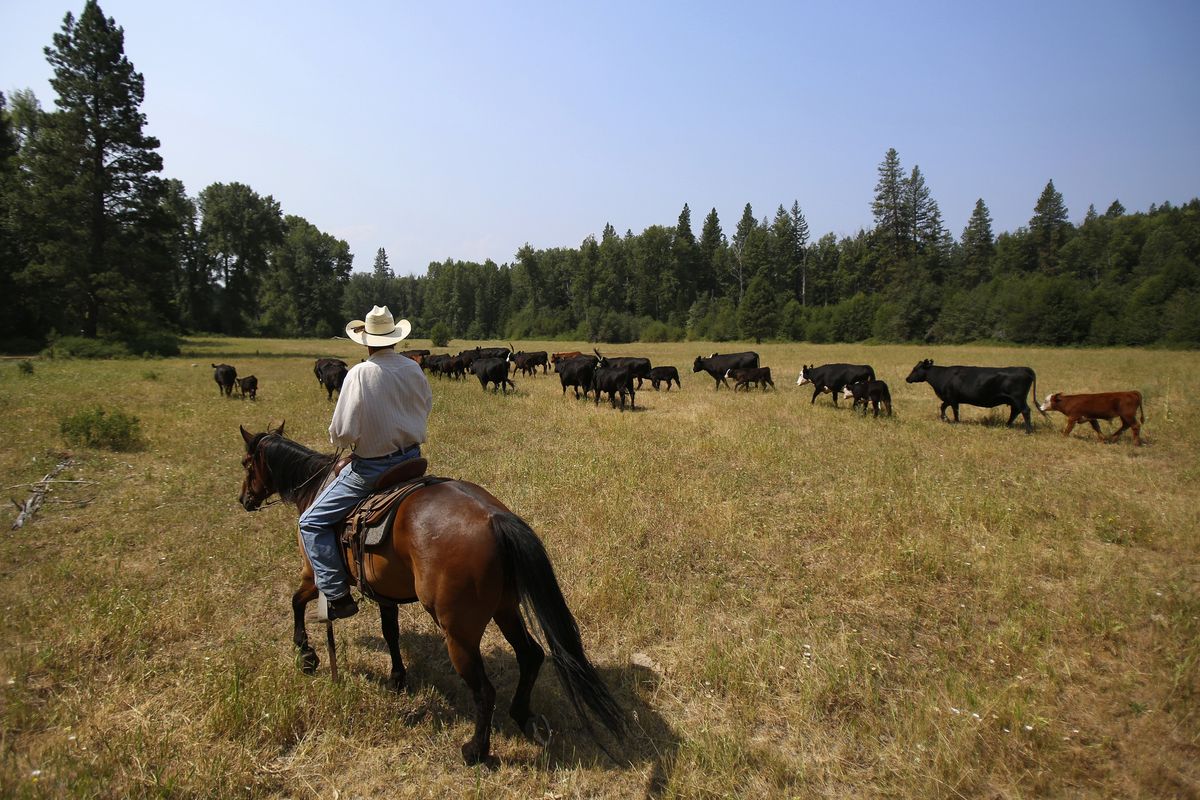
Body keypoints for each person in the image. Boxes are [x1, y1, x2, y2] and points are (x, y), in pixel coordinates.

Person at [298, 305, 433, 620]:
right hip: (412, 460)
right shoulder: (413, 368)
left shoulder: (359, 373)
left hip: (372, 470)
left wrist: (347, 443)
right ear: (395, 339)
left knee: (311, 522)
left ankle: (336, 595)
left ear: (367, 341)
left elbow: (343, 432)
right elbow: (425, 407)